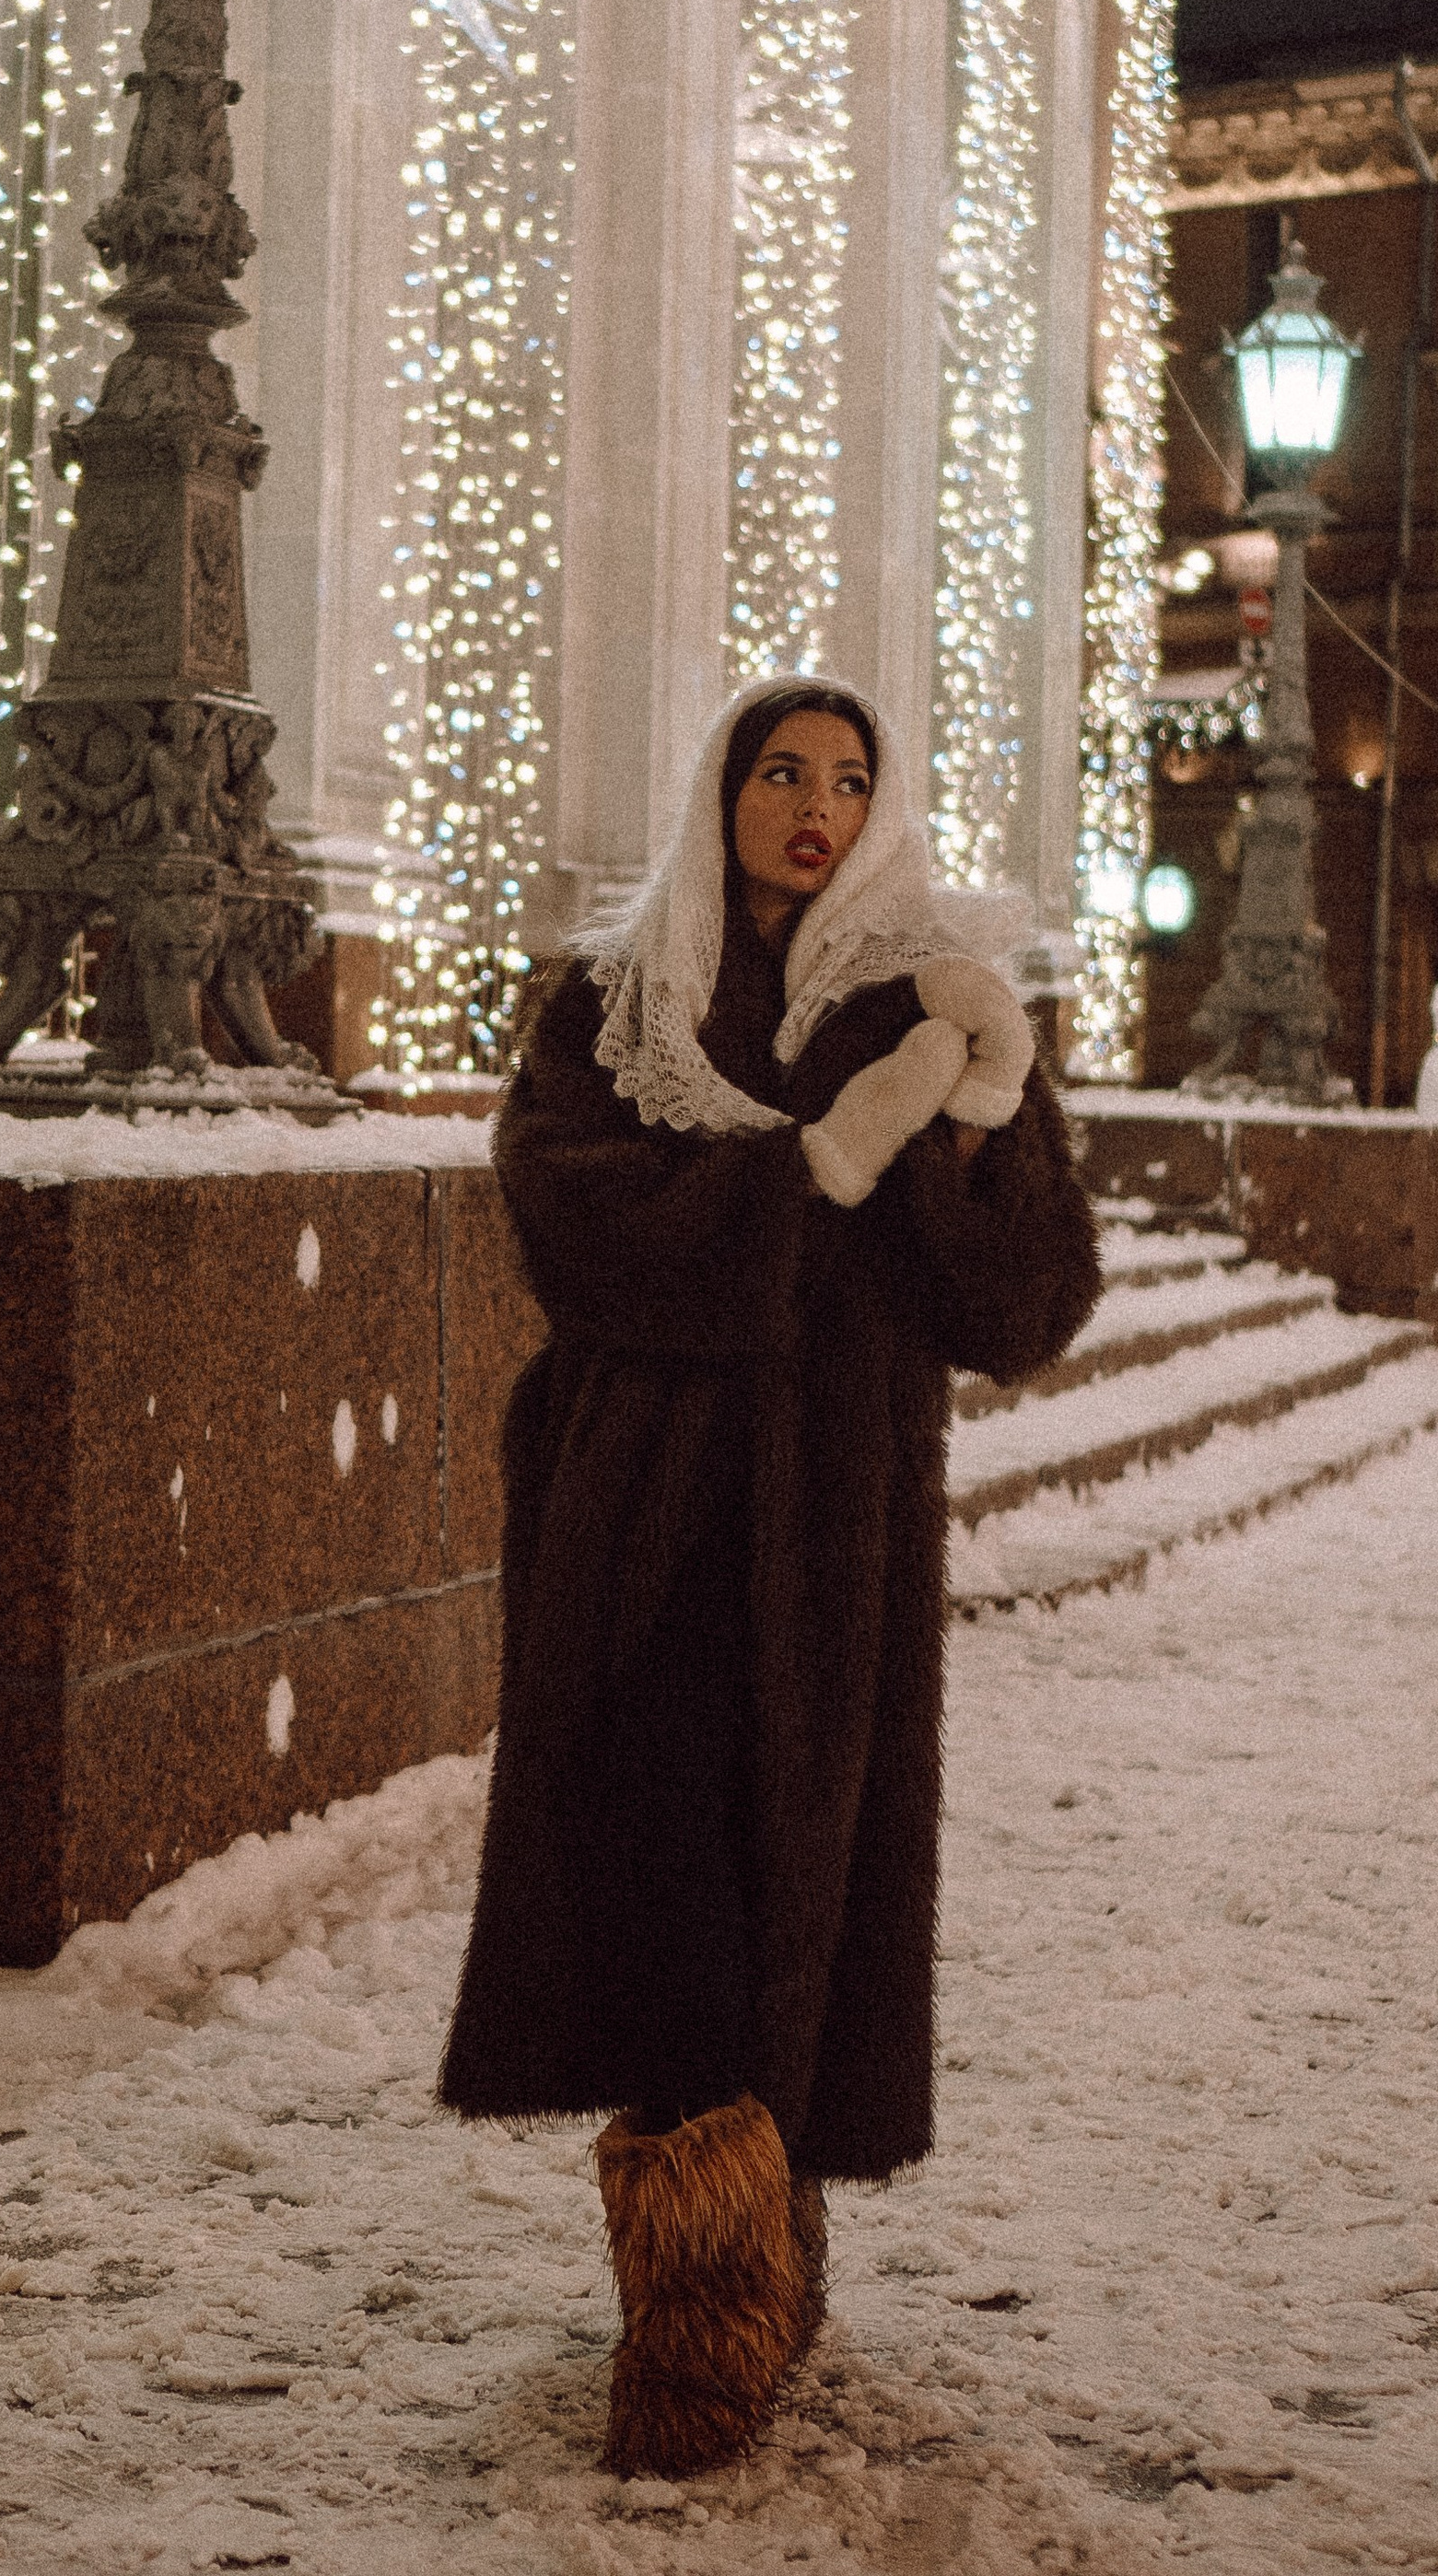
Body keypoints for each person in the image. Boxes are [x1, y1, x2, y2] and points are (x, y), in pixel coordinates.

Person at [439, 675, 1102, 2478]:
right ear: (719, 788)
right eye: (778, 771)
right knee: (661, 1894)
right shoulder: (611, 997)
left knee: (789, 1897)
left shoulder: (938, 999)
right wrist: (810, 1166)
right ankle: (695, 2310)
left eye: (846, 778)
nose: (811, 803)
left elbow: (1022, 1308)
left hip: (828, 1533)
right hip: (634, 1509)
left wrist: (963, 1126)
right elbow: (566, 1218)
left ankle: (745, 2263)